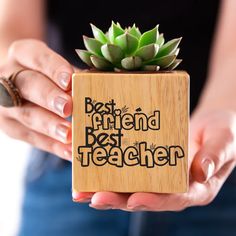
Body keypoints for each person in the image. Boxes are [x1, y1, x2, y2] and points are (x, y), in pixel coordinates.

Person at [0, 0, 235, 235]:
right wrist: (11, 77)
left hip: (211, 159)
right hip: (66, 156)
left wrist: (225, 106)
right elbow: (11, 28)